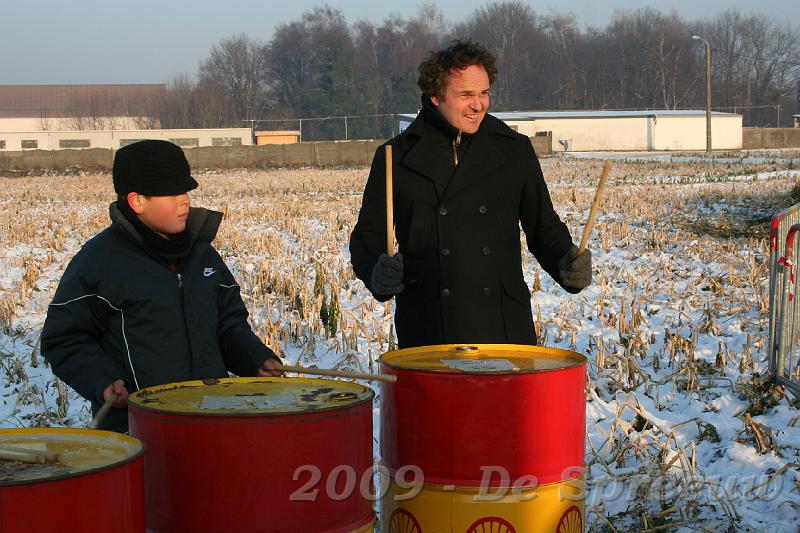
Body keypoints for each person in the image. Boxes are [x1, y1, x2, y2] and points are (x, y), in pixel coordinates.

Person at [349, 39, 592, 349]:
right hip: (429, 330)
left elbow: (544, 228)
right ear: (435, 95)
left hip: (503, 328)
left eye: (484, 93)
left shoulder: (513, 150)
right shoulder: (395, 157)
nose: (479, 105)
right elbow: (367, 237)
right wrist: (376, 270)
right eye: (466, 95)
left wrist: (566, 260)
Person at [42, 140, 282, 432]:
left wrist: (254, 358)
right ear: (137, 202)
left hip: (212, 420)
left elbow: (227, 324)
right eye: (172, 194)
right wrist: (103, 380)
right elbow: (64, 339)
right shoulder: (99, 262)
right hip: (140, 427)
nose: (185, 201)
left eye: (186, 192)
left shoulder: (202, 255)